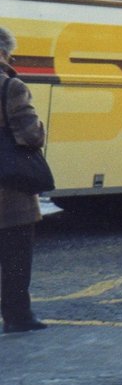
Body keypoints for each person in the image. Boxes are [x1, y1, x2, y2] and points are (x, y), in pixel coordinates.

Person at [0, 26, 48, 334]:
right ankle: (18, 317)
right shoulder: (11, 87)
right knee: (16, 257)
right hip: (9, 189)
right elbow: (31, 134)